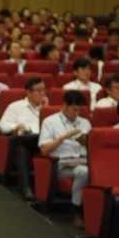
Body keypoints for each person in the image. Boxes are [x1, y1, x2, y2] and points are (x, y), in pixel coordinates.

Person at [38, 90, 91, 228]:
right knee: (83, 172)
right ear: (65, 105)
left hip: (83, 159)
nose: (77, 113)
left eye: (79, 110)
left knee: (95, 169)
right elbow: (44, 150)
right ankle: (76, 212)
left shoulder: (85, 123)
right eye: (74, 109)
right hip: (60, 164)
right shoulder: (50, 122)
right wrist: (63, 138)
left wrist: (86, 142)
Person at [0, 77, 48, 201]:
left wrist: (46, 109)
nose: (42, 93)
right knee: (22, 146)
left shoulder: (49, 108)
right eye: (38, 90)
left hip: (46, 140)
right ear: (28, 92)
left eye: (44, 90)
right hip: (26, 140)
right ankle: (26, 187)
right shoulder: (15, 107)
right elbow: (3, 125)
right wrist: (15, 126)